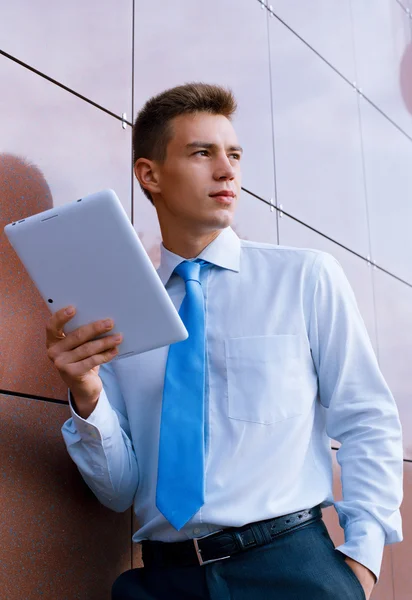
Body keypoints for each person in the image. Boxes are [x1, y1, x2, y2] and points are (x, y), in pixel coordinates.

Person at [46, 83, 403, 600]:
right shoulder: (122, 315)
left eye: (233, 154)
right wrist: (85, 393)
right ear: (149, 174)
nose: (227, 169)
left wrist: (362, 563)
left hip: (291, 569)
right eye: (202, 153)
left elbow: (367, 416)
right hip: (162, 580)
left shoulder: (304, 278)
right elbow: (119, 489)